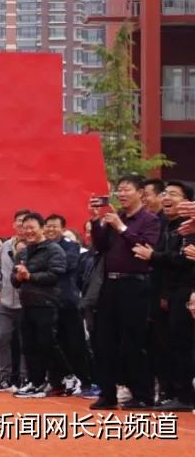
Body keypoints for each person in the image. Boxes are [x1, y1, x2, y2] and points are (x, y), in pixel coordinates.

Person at [89, 175, 161, 410]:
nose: (121, 194)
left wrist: (121, 228)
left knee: (134, 341)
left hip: (135, 285)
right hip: (110, 285)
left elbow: (144, 248)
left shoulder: (149, 220)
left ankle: (142, 394)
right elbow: (101, 247)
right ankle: (107, 394)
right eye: (119, 190)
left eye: (126, 190)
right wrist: (96, 221)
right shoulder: (115, 217)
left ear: (141, 193)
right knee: (104, 340)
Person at [134, 180, 195, 411]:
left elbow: (182, 260)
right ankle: (174, 393)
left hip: (187, 292)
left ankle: (185, 396)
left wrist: (154, 256)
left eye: (174, 194)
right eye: (166, 193)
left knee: (182, 345)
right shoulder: (166, 226)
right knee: (169, 344)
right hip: (171, 292)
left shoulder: (188, 227)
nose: (167, 197)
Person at [10, 213, 70, 399]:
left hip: (46, 303)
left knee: (47, 343)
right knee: (29, 345)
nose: (28, 231)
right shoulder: (22, 253)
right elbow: (14, 280)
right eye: (25, 228)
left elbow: (56, 275)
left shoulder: (53, 250)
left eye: (32, 227)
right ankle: (36, 382)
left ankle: (62, 379)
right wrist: (19, 278)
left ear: (42, 228)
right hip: (27, 303)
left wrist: (31, 277)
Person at [44, 214, 90, 396]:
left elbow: (66, 266)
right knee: (52, 344)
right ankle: (57, 382)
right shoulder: (40, 247)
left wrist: (45, 266)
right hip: (47, 303)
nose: (50, 229)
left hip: (68, 302)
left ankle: (85, 381)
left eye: (54, 226)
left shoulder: (72, 247)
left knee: (75, 343)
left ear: (62, 229)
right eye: (48, 226)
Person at [0, 209, 30, 392]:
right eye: (19, 221)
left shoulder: (34, 246)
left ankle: (24, 378)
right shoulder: (5, 246)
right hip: (4, 301)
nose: (22, 225)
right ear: (14, 224)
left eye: (25, 221)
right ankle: (4, 378)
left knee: (24, 341)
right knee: (1, 338)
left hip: (25, 302)